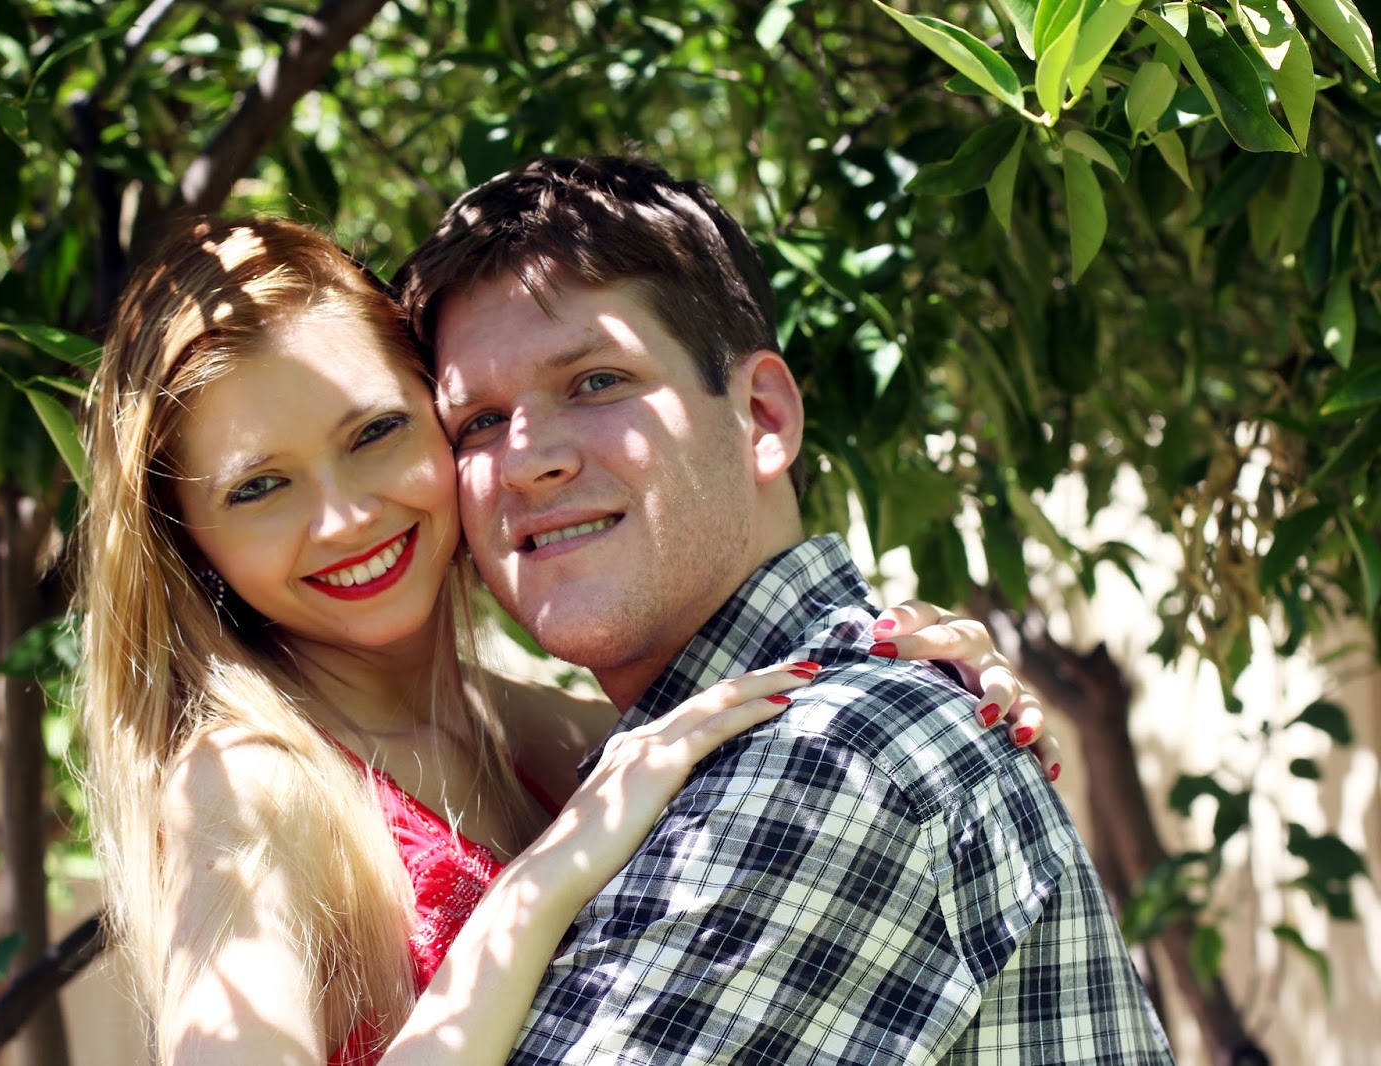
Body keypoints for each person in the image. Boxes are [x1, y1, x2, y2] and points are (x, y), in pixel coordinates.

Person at [76, 216, 1048, 1065]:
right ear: (189, 543)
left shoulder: (557, 734)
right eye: (258, 486)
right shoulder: (248, 785)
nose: (345, 518)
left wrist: (891, 656)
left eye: (373, 433)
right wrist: (540, 884)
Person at [391, 154, 1175, 1063]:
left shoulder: (824, 763)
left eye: (597, 381)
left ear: (763, 416)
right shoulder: (675, 760)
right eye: (479, 423)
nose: (529, 461)